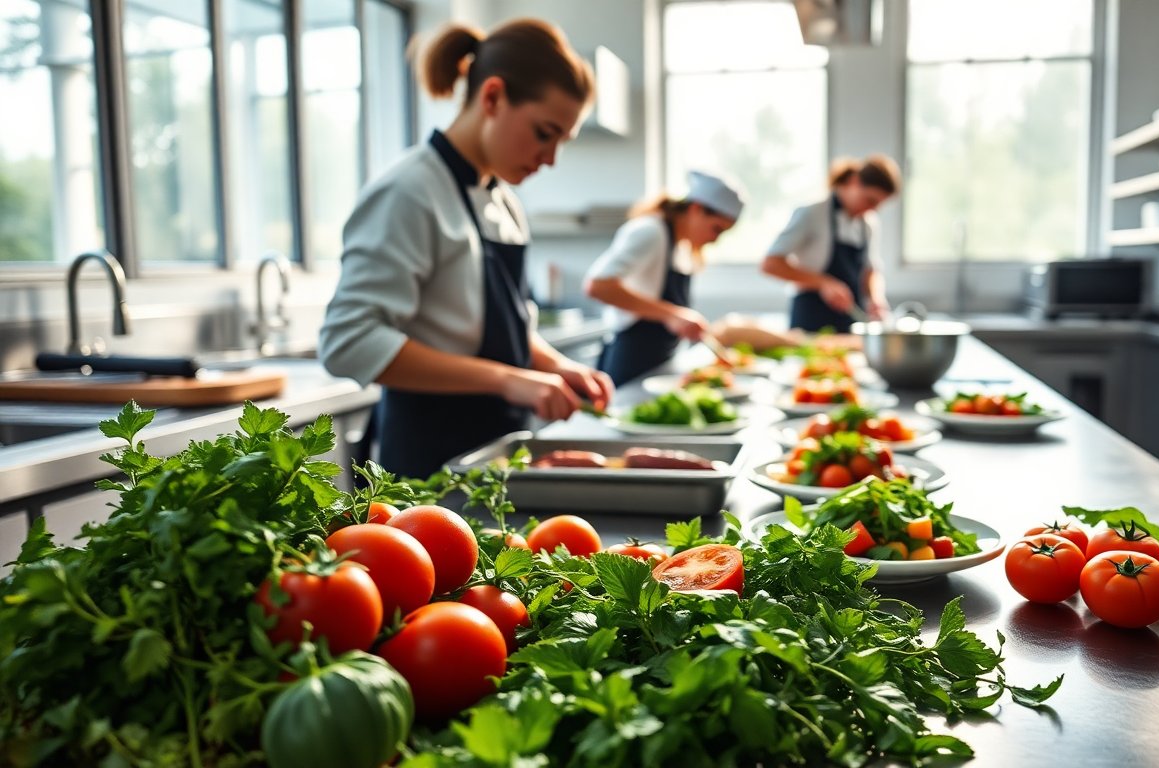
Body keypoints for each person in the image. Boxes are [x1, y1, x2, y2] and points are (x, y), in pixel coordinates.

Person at [319, 18, 613, 480]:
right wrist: (508, 379)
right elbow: (348, 342)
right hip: (427, 464)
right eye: (543, 133)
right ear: (492, 97)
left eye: (561, 141)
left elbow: (504, 330)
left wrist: (558, 367)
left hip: (499, 455)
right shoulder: (409, 191)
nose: (550, 158)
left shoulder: (505, 203)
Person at [584, 171, 745, 387]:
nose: (715, 239)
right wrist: (672, 315)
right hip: (631, 362)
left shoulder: (681, 246)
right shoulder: (650, 231)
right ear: (696, 209)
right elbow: (597, 285)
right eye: (716, 229)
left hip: (660, 364)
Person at [761, 155, 902, 333]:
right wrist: (823, 283)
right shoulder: (812, 213)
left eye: (878, 205)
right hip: (810, 318)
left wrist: (876, 298)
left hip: (850, 322)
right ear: (853, 181)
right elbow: (770, 264)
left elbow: (870, 269)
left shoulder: (868, 224)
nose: (872, 209)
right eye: (870, 200)